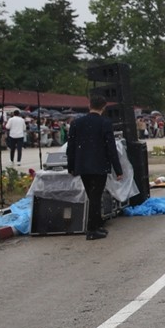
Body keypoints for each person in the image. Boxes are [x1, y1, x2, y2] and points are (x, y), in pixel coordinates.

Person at [66, 95, 123, 241]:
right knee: (96, 197)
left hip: (83, 165)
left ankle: (97, 225)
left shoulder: (76, 123)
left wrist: (71, 166)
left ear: (89, 105)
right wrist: (118, 169)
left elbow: (71, 147)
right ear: (103, 107)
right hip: (99, 164)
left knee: (92, 196)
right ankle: (92, 229)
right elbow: (111, 147)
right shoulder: (104, 123)